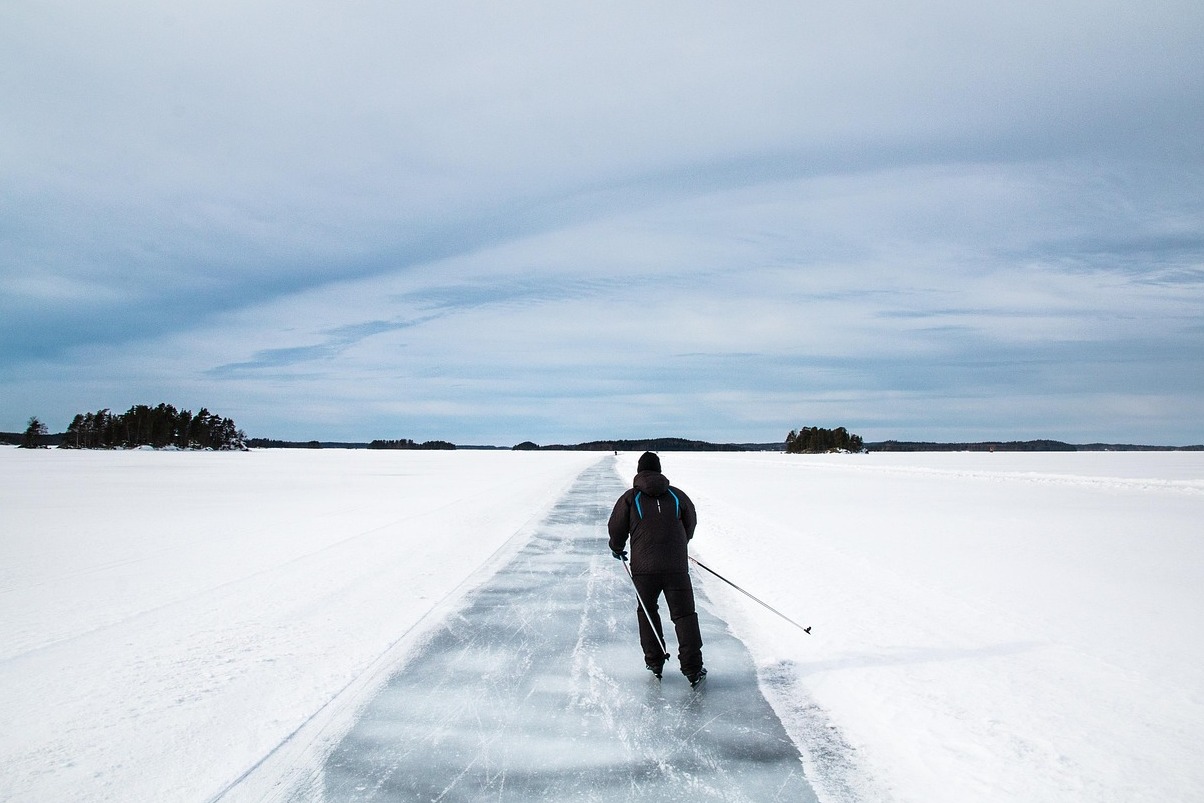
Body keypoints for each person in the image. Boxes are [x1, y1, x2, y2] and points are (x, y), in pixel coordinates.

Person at [608, 451, 706, 686]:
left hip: (643, 569)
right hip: (676, 568)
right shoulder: (677, 495)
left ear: (639, 471)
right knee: (684, 615)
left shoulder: (630, 497)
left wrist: (617, 547)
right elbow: (690, 523)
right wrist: (681, 543)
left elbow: (616, 526)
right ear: (659, 470)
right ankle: (692, 668)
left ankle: (655, 661)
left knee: (647, 612)